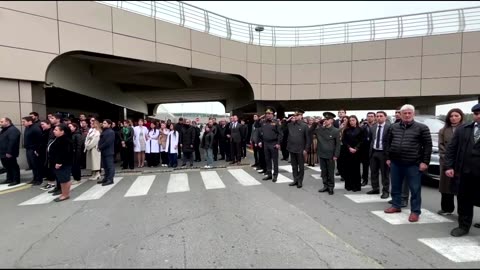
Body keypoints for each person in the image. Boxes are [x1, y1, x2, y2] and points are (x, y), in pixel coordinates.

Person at [384, 104, 432, 223]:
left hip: (413, 164)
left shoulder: (422, 128)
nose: (406, 115)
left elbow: (427, 146)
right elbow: (387, 143)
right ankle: (396, 205)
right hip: (396, 163)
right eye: (404, 113)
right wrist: (388, 158)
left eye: (409, 113)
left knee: (415, 189)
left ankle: (415, 212)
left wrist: (425, 162)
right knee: (395, 186)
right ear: (400, 114)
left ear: (413, 114)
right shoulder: (393, 127)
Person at [445, 103, 480, 236]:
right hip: (464, 173)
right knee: (464, 200)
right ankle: (463, 226)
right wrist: (449, 166)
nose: (479, 116)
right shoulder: (463, 129)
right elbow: (451, 149)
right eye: (476, 114)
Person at [437, 108, 464, 216]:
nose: (453, 118)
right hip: (446, 162)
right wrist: (447, 161)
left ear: (461, 117)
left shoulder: (466, 129)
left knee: (462, 188)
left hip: (462, 162)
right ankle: (447, 208)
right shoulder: (443, 130)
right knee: (446, 186)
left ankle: (463, 212)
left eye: (456, 116)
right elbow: (441, 146)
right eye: (451, 116)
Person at [315, 112, 341, 195]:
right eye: (325, 119)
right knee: (323, 171)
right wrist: (317, 122)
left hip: (330, 155)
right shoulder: (320, 129)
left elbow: (337, 144)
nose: (325, 121)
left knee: (330, 172)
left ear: (332, 120)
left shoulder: (336, 131)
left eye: (327, 119)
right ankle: (325, 186)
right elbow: (310, 131)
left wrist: (336, 155)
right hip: (321, 154)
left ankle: (330, 187)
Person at [367, 111, 391, 199]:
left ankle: (385, 191)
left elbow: (390, 142)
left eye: (381, 116)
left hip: (383, 153)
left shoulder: (389, 127)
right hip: (374, 152)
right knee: (373, 172)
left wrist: (389, 156)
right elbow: (371, 140)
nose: (379, 118)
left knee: (385, 174)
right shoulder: (373, 127)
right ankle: (375, 188)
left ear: (385, 117)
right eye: (377, 116)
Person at [48, 124, 73, 202]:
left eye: (56, 130)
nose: (54, 131)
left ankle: (65, 194)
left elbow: (64, 153)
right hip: (58, 162)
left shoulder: (65, 140)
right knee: (62, 179)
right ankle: (64, 193)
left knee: (64, 179)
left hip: (63, 163)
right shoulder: (58, 138)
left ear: (62, 132)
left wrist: (59, 162)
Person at [257, 107, 283, 182]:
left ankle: (275, 175)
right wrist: (260, 141)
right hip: (266, 143)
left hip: (274, 143)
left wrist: (278, 143)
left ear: (273, 114)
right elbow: (258, 128)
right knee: (267, 160)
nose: (267, 115)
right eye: (266, 114)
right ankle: (269, 174)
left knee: (275, 161)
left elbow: (280, 134)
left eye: (269, 114)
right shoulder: (263, 122)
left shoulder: (276, 122)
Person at [340, 115, 365, 192]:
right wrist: (349, 148)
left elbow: (362, 140)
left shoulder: (360, 130)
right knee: (348, 169)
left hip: (357, 153)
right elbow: (344, 140)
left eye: (353, 120)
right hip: (348, 152)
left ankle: (356, 186)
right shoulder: (346, 130)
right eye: (350, 120)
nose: (351, 122)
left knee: (356, 170)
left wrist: (356, 148)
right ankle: (349, 185)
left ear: (356, 121)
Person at [287, 109, 310, 189]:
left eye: (297, 115)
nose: (295, 117)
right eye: (295, 115)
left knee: (301, 166)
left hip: (300, 149)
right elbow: (282, 128)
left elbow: (308, 138)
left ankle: (300, 181)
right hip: (292, 148)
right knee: (294, 166)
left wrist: (306, 149)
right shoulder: (290, 125)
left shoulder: (304, 126)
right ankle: (295, 180)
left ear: (301, 116)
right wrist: (287, 120)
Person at [22, 116, 43, 186]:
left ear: (30, 121)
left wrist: (37, 150)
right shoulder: (27, 128)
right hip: (28, 149)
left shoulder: (35, 128)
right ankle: (35, 179)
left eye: (24, 121)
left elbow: (39, 141)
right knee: (32, 165)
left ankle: (39, 179)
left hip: (34, 150)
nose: (22, 123)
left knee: (36, 165)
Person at [0, 117, 21, 186]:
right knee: (7, 166)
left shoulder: (13, 130)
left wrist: (9, 152)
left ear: (8, 122)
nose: (0, 123)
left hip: (9, 153)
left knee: (13, 166)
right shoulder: (4, 130)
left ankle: (16, 180)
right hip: (3, 152)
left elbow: (12, 142)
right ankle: (9, 179)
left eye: (2, 121)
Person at [98, 119, 116, 186]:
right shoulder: (104, 131)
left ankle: (110, 179)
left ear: (109, 125)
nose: (103, 124)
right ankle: (106, 178)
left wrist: (100, 147)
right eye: (103, 123)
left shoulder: (111, 132)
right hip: (103, 151)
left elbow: (108, 142)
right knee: (105, 166)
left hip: (108, 151)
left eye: (105, 123)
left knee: (110, 166)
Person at [361, 112, 376, 186]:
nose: (370, 117)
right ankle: (365, 180)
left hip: (374, 149)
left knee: (374, 167)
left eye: (371, 116)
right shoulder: (363, 127)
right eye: (368, 116)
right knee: (365, 166)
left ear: (374, 117)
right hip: (365, 150)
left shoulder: (377, 126)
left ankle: (374, 182)